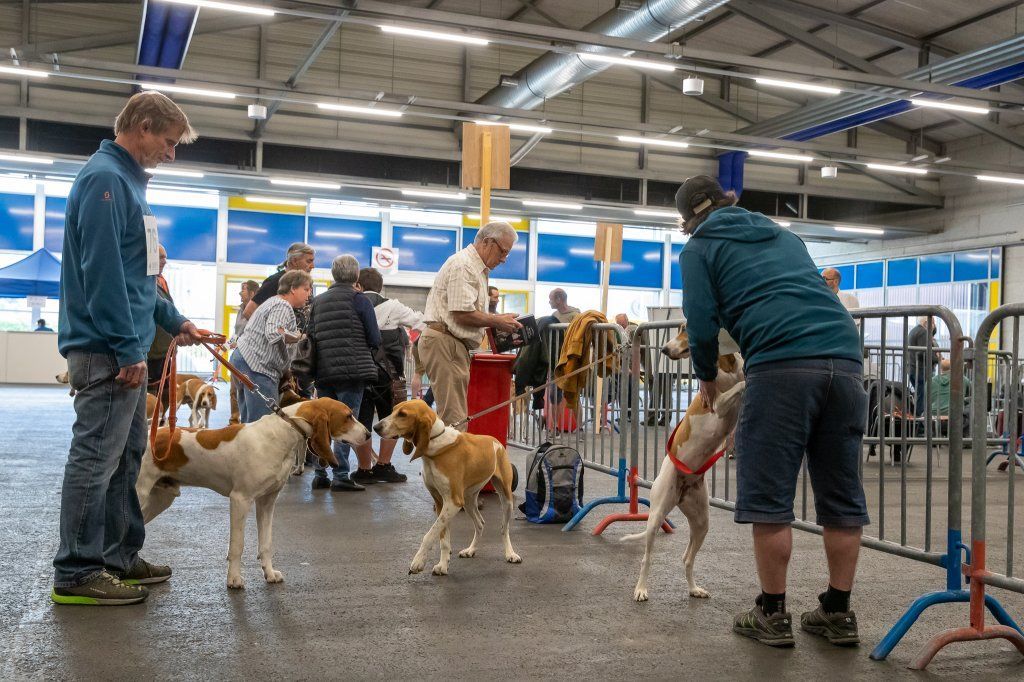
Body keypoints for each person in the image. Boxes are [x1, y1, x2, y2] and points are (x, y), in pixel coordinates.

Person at [676, 175, 867, 647]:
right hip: (846, 362)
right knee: (842, 497)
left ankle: (772, 613)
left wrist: (705, 373)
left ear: (689, 221)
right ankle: (838, 613)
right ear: (728, 202)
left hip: (781, 366)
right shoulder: (783, 233)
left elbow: (700, 321)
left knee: (768, 497)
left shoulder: (699, 249)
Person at [52, 91, 203, 606]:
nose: (171, 153)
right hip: (107, 353)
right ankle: (75, 572)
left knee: (126, 457)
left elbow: (140, 280)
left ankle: (118, 557)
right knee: (96, 459)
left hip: (123, 347)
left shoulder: (129, 188)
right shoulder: (105, 182)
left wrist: (177, 321)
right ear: (140, 126)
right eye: (167, 141)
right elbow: (103, 276)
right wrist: (126, 348)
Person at [419, 222, 521, 429]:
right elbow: (461, 313)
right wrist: (498, 321)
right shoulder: (464, 265)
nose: (503, 259)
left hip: (451, 343)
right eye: (503, 251)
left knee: (454, 417)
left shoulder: (475, 268)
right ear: (487, 242)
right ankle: (451, 461)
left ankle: (449, 460)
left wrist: (498, 320)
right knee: (454, 420)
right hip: (446, 342)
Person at [308, 255, 381, 492]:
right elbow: (374, 337)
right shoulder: (360, 300)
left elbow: (310, 335)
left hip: (324, 371)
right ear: (356, 276)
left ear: (333, 274)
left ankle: (320, 474)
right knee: (347, 423)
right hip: (352, 372)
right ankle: (341, 474)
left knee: (323, 424)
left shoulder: (318, 301)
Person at [353, 267, 423, 483]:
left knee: (361, 420)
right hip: (388, 375)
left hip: (359, 371)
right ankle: (383, 465)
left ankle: (364, 470)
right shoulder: (393, 306)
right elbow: (420, 322)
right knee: (389, 417)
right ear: (380, 286)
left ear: (359, 285)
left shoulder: (351, 303)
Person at [229, 270, 311, 424]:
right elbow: (274, 333)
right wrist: (300, 337)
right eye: (306, 289)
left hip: (244, 360)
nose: (309, 294)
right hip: (257, 366)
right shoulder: (282, 305)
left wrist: (285, 369)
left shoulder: (272, 301)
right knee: (263, 425)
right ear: (293, 288)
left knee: (248, 424)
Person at [146, 245, 175, 417]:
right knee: (149, 394)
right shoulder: (145, 283)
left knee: (165, 391)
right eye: (160, 257)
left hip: (165, 350)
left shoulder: (160, 281)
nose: (164, 261)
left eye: (165, 257)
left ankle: (158, 422)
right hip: (151, 351)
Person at [228, 280, 260, 424]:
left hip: (250, 357)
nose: (240, 292)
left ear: (252, 293)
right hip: (237, 354)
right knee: (234, 391)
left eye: (243, 289)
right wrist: (227, 345)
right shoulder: (240, 309)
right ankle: (235, 421)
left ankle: (248, 423)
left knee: (247, 392)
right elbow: (236, 332)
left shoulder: (257, 310)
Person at [908, 316, 941, 417]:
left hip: (913, 369)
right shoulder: (923, 332)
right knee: (922, 398)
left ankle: (917, 422)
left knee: (920, 395)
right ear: (927, 322)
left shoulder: (914, 331)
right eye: (933, 322)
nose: (934, 325)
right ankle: (920, 424)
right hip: (922, 370)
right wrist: (939, 359)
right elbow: (924, 353)